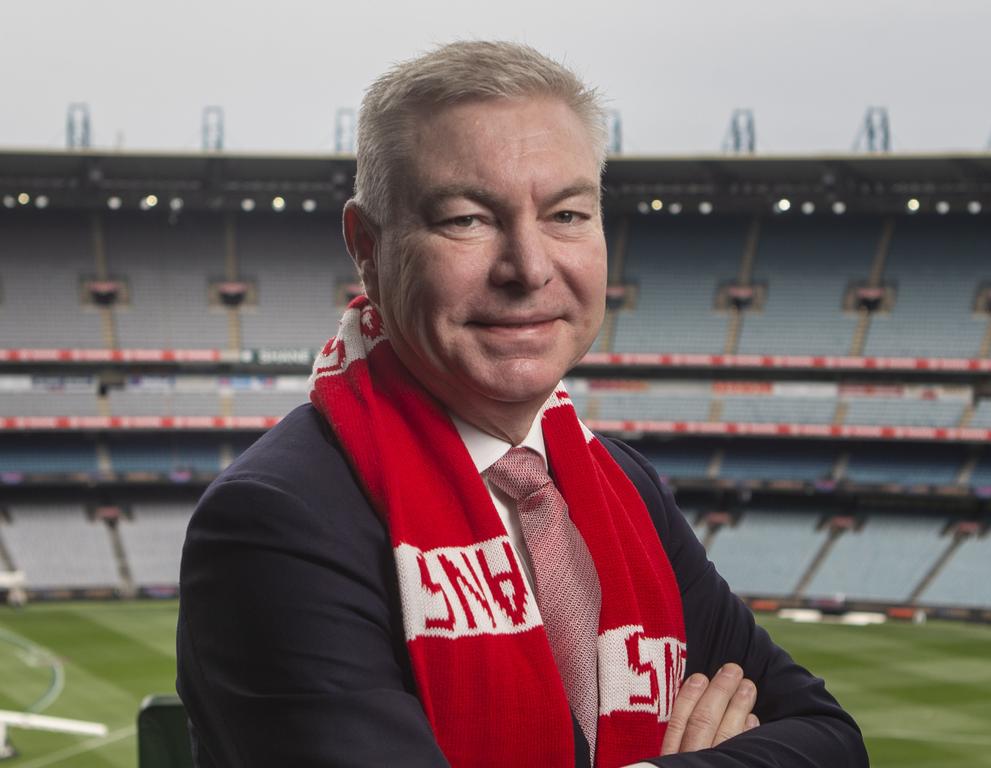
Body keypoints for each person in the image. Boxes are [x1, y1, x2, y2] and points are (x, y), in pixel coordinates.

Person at [176, 41, 868, 767]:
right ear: (368, 248)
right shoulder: (276, 522)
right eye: (467, 219)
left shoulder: (626, 487)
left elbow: (831, 742)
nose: (529, 269)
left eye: (566, 215)